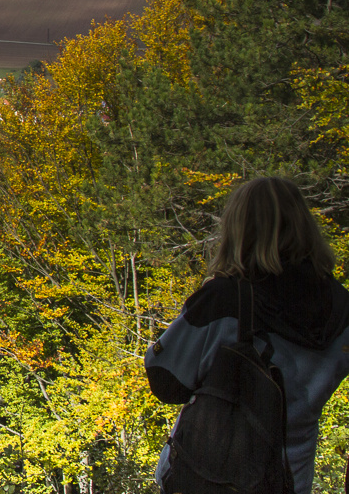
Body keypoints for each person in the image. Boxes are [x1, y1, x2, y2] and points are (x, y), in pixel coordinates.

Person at [147, 176, 349, 494]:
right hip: (291, 479)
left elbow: (167, 383)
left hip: (211, 477)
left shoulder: (225, 300)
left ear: (239, 230)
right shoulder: (342, 308)